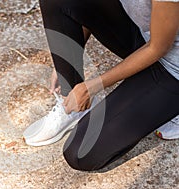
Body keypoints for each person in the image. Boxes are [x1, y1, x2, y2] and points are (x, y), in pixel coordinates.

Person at [23, 0, 179, 171]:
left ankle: (170, 108)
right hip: (146, 36)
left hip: (171, 68)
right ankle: (75, 108)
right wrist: (66, 54)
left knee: (81, 153)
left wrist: (94, 86)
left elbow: (158, 48)